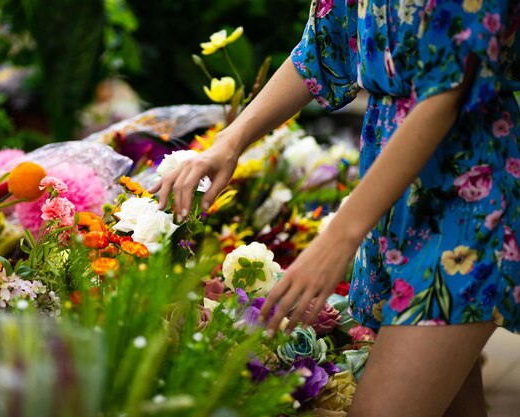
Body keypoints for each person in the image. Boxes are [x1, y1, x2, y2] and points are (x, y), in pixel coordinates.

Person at [151, 1, 520, 416]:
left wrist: (340, 237)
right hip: (392, 203)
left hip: (466, 198)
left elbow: (444, 91)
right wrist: (229, 143)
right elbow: (322, 46)